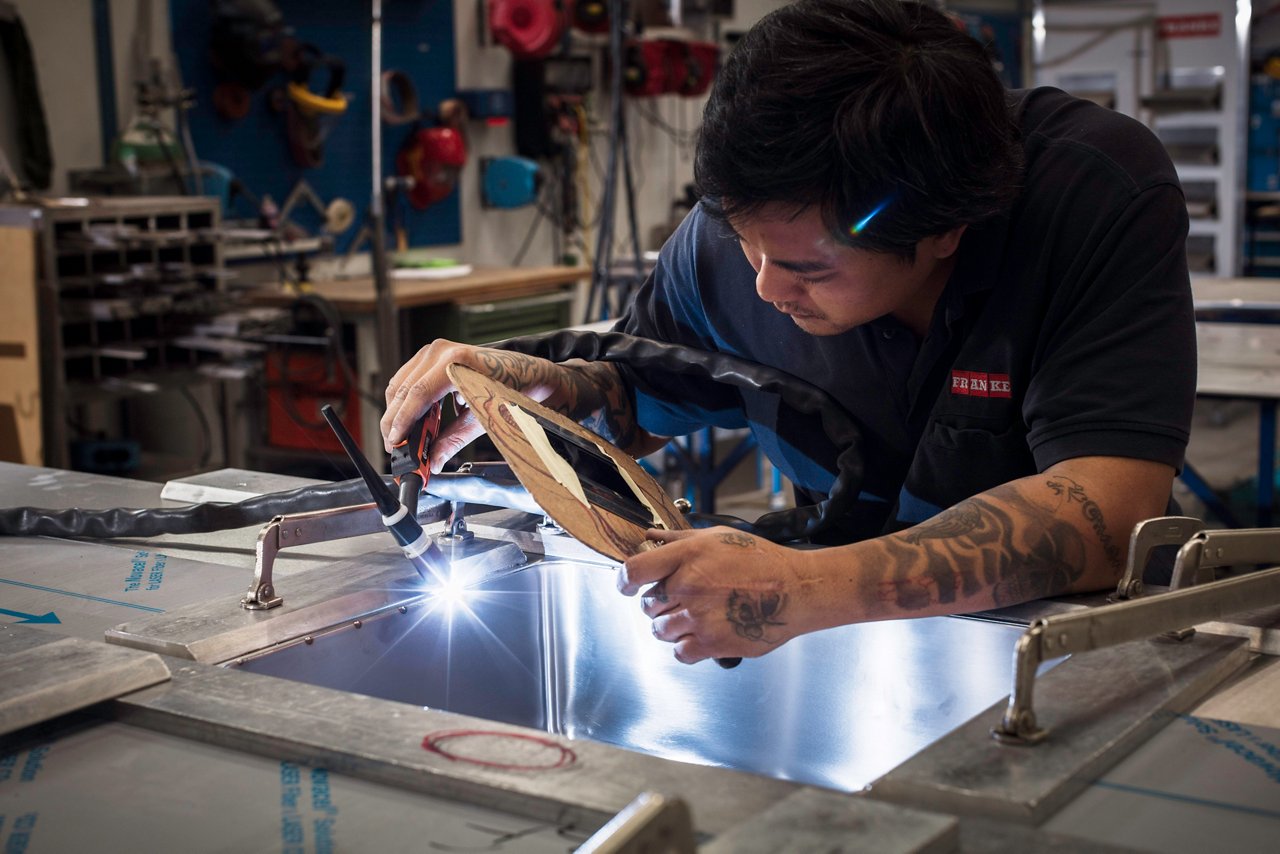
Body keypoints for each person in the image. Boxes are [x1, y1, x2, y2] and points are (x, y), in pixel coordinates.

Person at [382, 0, 1196, 665]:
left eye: (808, 267)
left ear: (947, 229)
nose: (766, 285)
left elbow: (1110, 509)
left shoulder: (1091, 194)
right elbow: (640, 389)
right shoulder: (728, 245)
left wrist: (805, 588)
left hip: (1065, 654)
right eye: (746, 239)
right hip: (839, 637)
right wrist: (536, 397)